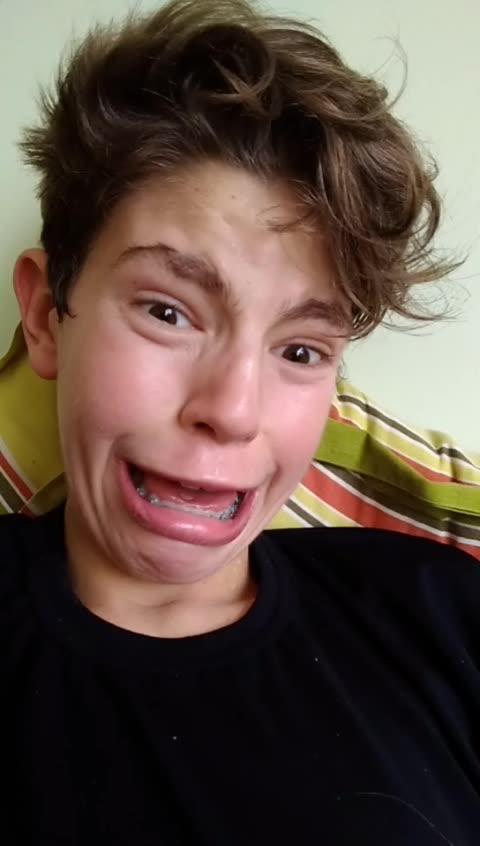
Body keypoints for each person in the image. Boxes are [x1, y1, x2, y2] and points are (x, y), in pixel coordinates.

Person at [2, 0, 479, 842]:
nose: (231, 411)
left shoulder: (444, 614)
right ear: (45, 317)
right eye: (168, 312)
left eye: (300, 350)